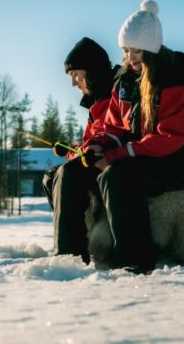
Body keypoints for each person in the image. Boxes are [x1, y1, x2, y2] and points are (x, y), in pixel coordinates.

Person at [88, 0, 184, 273]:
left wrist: (118, 155)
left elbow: (170, 138)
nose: (129, 57)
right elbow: (114, 126)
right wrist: (99, 145)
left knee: (118, 175)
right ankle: (75, 254)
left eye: (136, 51)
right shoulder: (127, 82)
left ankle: (134, 262)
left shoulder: (174, 81)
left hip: (179, 159)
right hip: (145, 155)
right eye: (125, 50)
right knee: (77, 172)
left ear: (152, 50)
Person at [42, 37, 118, 263]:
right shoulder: (96, 101)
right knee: (50, 176)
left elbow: (115, 133)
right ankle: (77, 241)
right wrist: (73, 150)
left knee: (69, 174)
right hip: (99, 156)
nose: (73, 83)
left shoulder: (115, 94)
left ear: (92, 71)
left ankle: (69, 255)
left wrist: (85, 151)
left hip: (115, 159)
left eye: (76, 74)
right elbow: (91, 141)